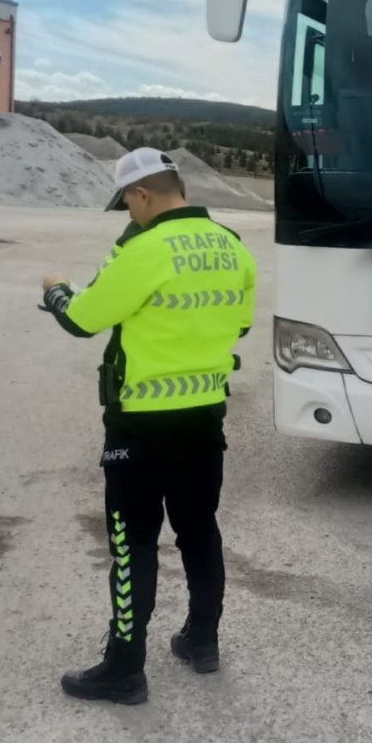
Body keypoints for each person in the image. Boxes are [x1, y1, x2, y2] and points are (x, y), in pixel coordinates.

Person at [40, 148, 257, 705]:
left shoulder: (143, 249)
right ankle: (201, 643)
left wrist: (55, 289)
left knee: (134, 542)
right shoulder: (233, 247)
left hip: (140, 426)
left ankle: (124, 670)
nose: (127, 216)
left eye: (127, 205)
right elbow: (242, 321)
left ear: (142, 195)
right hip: (205, 418)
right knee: (199, 530)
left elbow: (82, 318)